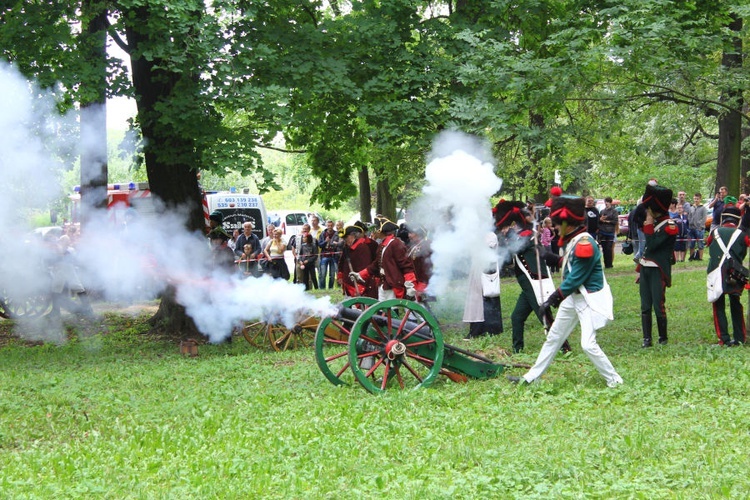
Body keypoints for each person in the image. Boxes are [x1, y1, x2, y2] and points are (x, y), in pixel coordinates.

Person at [506, 195, 622, 388]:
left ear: (568, 223)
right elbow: (568, 263)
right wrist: (550, 257)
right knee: (553, 337)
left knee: (587, 344)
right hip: (573, 298)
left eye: (558, 224)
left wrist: (551, 300)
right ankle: (530, 378)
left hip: (587, 298)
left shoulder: (585, 244)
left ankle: (614, 380)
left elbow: (576, 278)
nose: (555, 227)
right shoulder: (576, 240)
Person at [494, 200, 571, 353]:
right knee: (517, 317)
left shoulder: (528, 234)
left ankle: (565, 348)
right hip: (526, 283)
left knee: (545, 316)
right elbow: (508, 259)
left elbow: (517, 249)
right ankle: (517, 350)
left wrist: (506, 235)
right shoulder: (517, 236)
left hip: (534, 281)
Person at [638, 183, 678, 347]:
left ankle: (663, 338)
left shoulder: (670, 226)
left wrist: (648, 223)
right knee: (645, 305)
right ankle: (647, 339)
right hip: (645, 268)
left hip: (658, 270)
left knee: (657, 304)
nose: (647, 212)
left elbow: (652, 244)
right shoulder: (655, 224)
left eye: (649, 209)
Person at [706, 206, 750, 346]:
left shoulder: (714, 232)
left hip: (716, 272)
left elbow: (708, 244)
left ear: (722, 218)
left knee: (718, 305)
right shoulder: (742, 235)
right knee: (736, 304)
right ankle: (739, 338)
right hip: (735, 272)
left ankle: (723, 339)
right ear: (738, 220)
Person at [350, 217, 417, 301]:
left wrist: (410, 285)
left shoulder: (395, 244)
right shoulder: (382, 245)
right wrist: (360, 274)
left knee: (392, 310)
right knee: (383, 311)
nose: (374, 231)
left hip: (393, 284)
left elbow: (406, 266)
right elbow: (376, 265)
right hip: (383, 284)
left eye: (376, 228)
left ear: (381, 230)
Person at [463, 231, 503, 339]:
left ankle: (490, 329)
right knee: (476, 302)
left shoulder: (490, 235)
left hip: (486, 270)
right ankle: (476, 328)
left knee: (487, 300)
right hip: (477, 270)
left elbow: (489, 250)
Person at [337, 222, 378, 298]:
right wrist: (340, 274)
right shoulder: (347, 247)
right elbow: (342, 262)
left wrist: (360, 284)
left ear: (353, 236)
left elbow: (364, 267)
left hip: (359, 285)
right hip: (349, 284)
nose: (345, 240)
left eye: (346, 237)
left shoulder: (362, 248)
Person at [318, 220, 342, 289]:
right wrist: (325, 241)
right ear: (326, 226)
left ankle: (330, 288)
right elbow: (320, 245)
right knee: (323, 273)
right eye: (328, 225)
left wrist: (333, 244)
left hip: (334, 256)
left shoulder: (337, 234)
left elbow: (338, 244)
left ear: (333, 226)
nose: (330, 227)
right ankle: (322, 288)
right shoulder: (323, 234)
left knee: (332, 274)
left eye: (331, 225)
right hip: (324, 256)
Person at [598, 197, 618, 269]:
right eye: (605, 202)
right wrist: (600, 220)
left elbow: (615, 221)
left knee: (609, 248)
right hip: (602, 232)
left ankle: (610, 264)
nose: (606, 203)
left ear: (610, 202)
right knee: (604, 248)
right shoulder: (602, 211)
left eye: (608, 202)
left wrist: (607, 221)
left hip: (610, 232)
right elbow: (599, 222)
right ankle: (606, 264)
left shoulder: (614, 211)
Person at [688, 193, 707, 261]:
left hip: (699, 229)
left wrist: (700, 226)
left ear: (700, 199)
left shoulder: (703, 208)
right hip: (691, 228)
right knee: (691, 244)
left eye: (697, 199)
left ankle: (700, 257)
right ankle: (691, 257)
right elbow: (689, 216)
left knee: (700, 244)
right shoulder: (691, 208)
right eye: (695, 199)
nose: (696, 200)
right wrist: (690, 224)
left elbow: (704, 218)